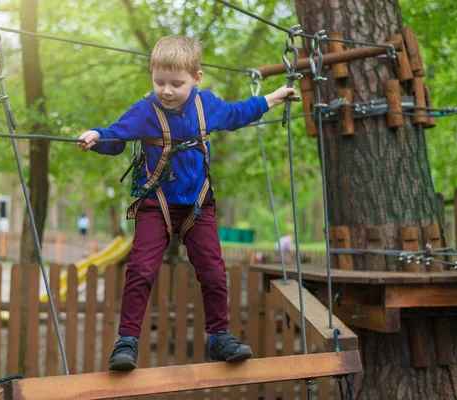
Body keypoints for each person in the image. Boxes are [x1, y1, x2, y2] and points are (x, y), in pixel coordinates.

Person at [78, 36, 296, 371]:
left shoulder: (205, 105)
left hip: (198, 205)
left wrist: (273, 98)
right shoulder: (146, 112)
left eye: (176, 84)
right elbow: (115, 136)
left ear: (196, 78)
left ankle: (219, 336)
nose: (166, 91)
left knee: (213, 271)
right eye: (159, 82)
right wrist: (95, 136)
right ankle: (127, 341)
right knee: (141, 269)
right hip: (157, 203)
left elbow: (238, 114)